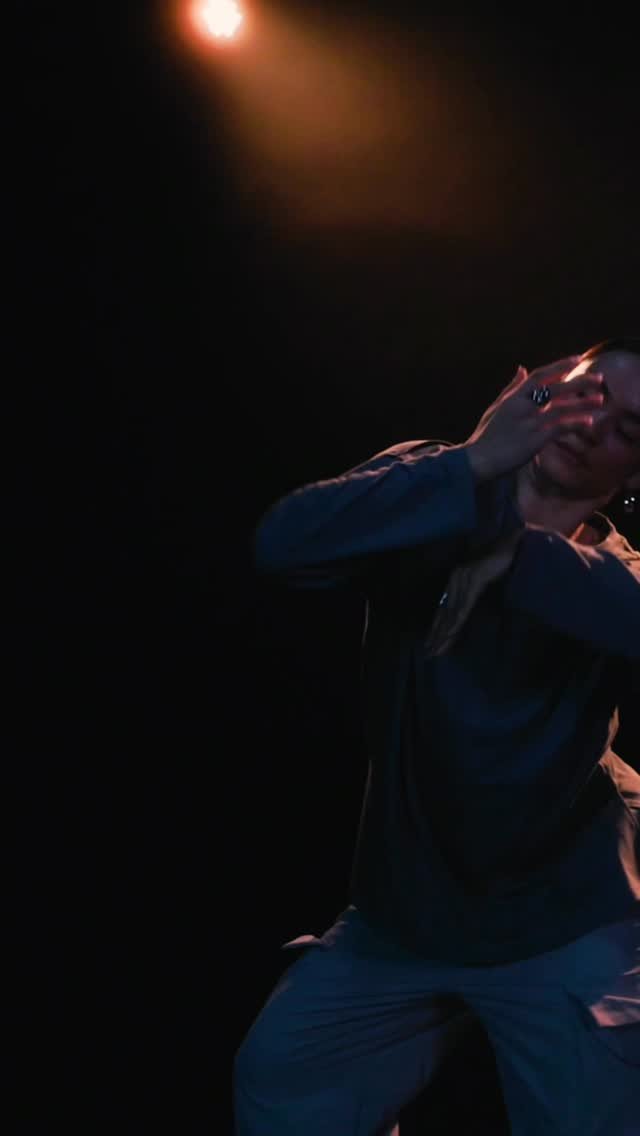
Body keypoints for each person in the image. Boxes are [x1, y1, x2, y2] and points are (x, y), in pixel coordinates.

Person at [234, 338, 640, 1135]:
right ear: (529, 386)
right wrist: (476, 463)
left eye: (626, 428)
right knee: (283, 1085)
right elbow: (283, 543)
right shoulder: (429, 484)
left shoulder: (619, 575)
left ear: (633, 474)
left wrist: (514, 554)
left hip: (565, 919)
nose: (591, 427)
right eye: (583, 396)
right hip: (405, 917)